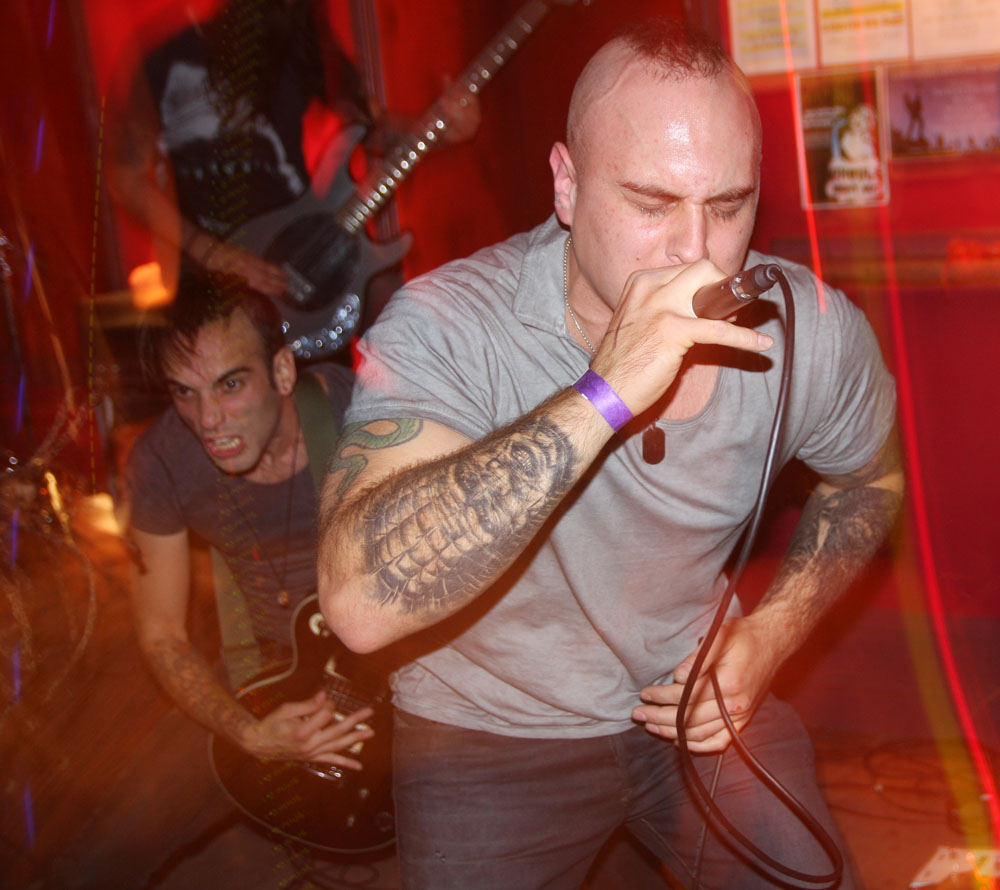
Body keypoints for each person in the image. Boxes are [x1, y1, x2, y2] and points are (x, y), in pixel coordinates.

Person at [316, 17, 903, 890]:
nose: (694, 250)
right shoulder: (447, 326)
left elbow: (870, 480)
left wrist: (771, 635)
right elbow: (359, 603)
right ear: (566, 185)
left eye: (728, 206)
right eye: (652, 204)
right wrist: (607, 390)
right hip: (488, 728)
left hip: (689, 695)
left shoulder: (807, 332)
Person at [47, 274, 374, 888]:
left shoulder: (354, 409)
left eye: (230, 384)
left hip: (392, 661)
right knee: (100, 854)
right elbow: (162, 635)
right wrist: (247, 732)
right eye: (184, 392)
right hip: (266, 669)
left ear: (282, 372)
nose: (207, 420)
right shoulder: (163, 462)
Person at [108, 0, 479, 303]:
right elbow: (125, 176)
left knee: (394, 305)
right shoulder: (163, 57)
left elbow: (371, 128)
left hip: (297, 264)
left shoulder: (299, 38)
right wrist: (210, 252)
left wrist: (439, 130)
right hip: (213, 287)